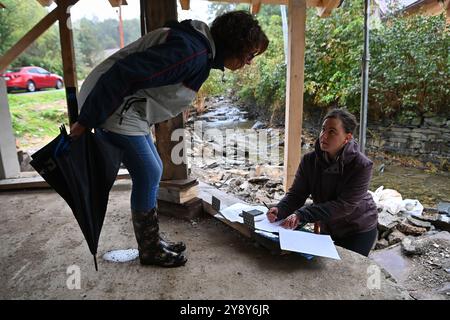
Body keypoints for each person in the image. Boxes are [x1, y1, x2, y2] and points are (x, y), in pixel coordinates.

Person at [69, 11, 269, 267]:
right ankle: (150, 249)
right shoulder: (190, 53)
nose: (249, 62)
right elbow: (124, 73)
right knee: (149, 171)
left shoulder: (200, 50)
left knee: (155, 168)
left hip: (125, 105)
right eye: (250, 54)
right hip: (111, 103)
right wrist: (85, 121)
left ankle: (152, 240)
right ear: (236, 44)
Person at [267, 109, 378, 257]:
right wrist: (280, 209)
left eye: (332, 131)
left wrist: (301, 214)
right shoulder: (309, 161)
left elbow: (345, 206)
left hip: (358, 228)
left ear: (347, 137)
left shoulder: (361, 165)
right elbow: (297, 194)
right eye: (323, 129)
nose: (324, 136)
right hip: (329, 225)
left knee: (347, 272)